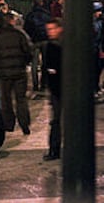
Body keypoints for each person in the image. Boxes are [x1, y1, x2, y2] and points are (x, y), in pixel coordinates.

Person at [0, 13, 32, 135]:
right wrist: (24, 63)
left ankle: (9, 124)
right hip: (19, 72)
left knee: (6, 100)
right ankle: (24, 124)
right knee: (21, 99)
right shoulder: (19, 35)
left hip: (5, 73)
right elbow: (28, 52)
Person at [43, 18, 64, 161]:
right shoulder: (50, 46)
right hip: (56, 90)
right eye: (48, 30)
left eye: (52, 29)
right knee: (56, 121)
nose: (50, 32)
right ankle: (54, 150)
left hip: (64, 89)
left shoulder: (62, 46)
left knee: (58, 121)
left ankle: (55, 150)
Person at [24, 0, 51, 92]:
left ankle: (35, 84)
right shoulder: (47, 14)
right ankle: (43, 84)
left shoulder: (30, 15)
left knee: (34, 64)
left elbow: (26, 28)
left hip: (34, 41)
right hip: (45, 40)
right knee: (45, 62)